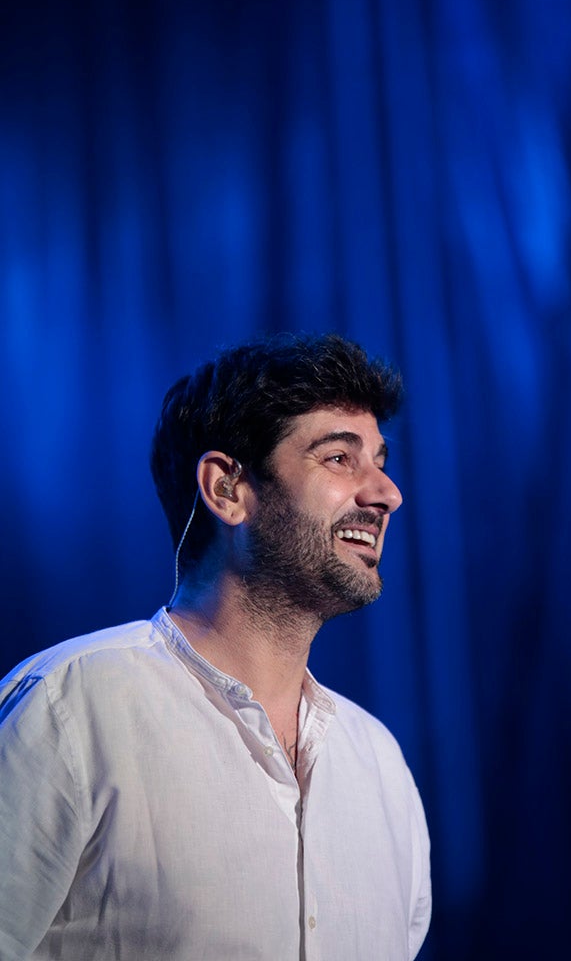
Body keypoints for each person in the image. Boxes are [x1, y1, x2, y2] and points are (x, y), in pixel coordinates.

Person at [0, 333, 431, 960]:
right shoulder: (72, 707)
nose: (386, 492)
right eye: (340, 458)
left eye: (380, 459)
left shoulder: (380, 764)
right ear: (227, 489)